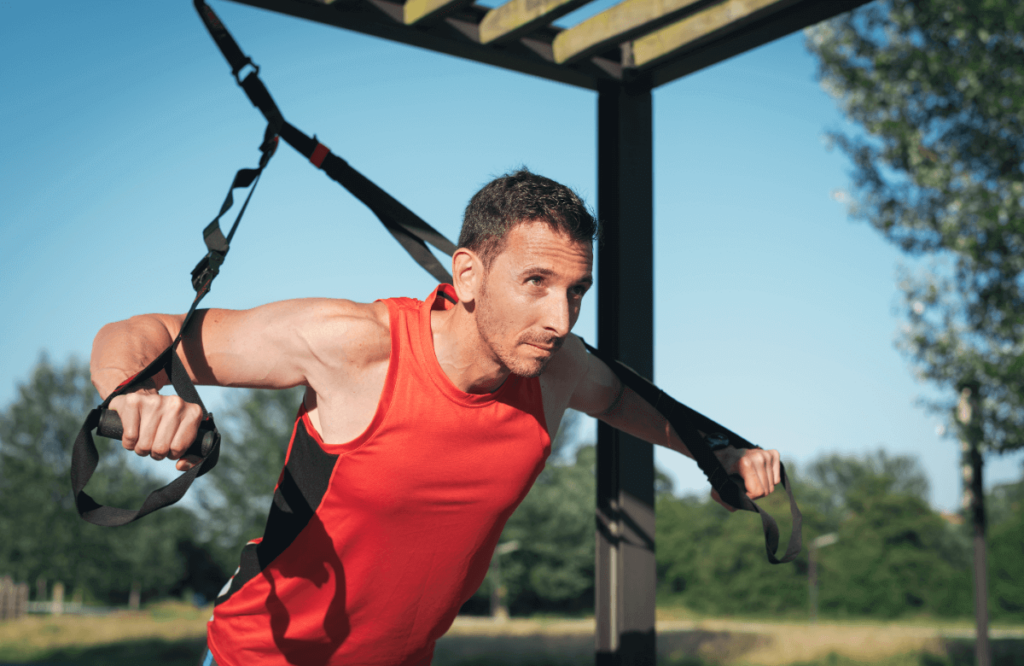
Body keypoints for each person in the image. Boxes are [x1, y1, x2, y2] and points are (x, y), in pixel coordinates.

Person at [90, 169, 781, 666]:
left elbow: (631, 402)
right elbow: (140, 331)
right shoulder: (356, 346)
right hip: (264, 658)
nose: (560, 319)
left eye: (577, 292)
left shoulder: (558, 368)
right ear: (469, 276)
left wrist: (715, 451)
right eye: (535, 284)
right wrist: (132, 397)